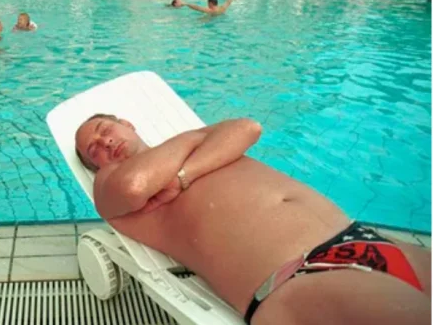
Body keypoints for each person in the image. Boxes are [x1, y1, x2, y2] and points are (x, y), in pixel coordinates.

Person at [74, 115, 431, 325]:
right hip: (296, 276)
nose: (105, 141)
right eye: (94, 150)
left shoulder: (184, 150)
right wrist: (200, 137)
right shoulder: (109, 184)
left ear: (127, 123)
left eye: (105, 128)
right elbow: (135, 186)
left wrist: (183, 176)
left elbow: (248, 127)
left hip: (358, 238)